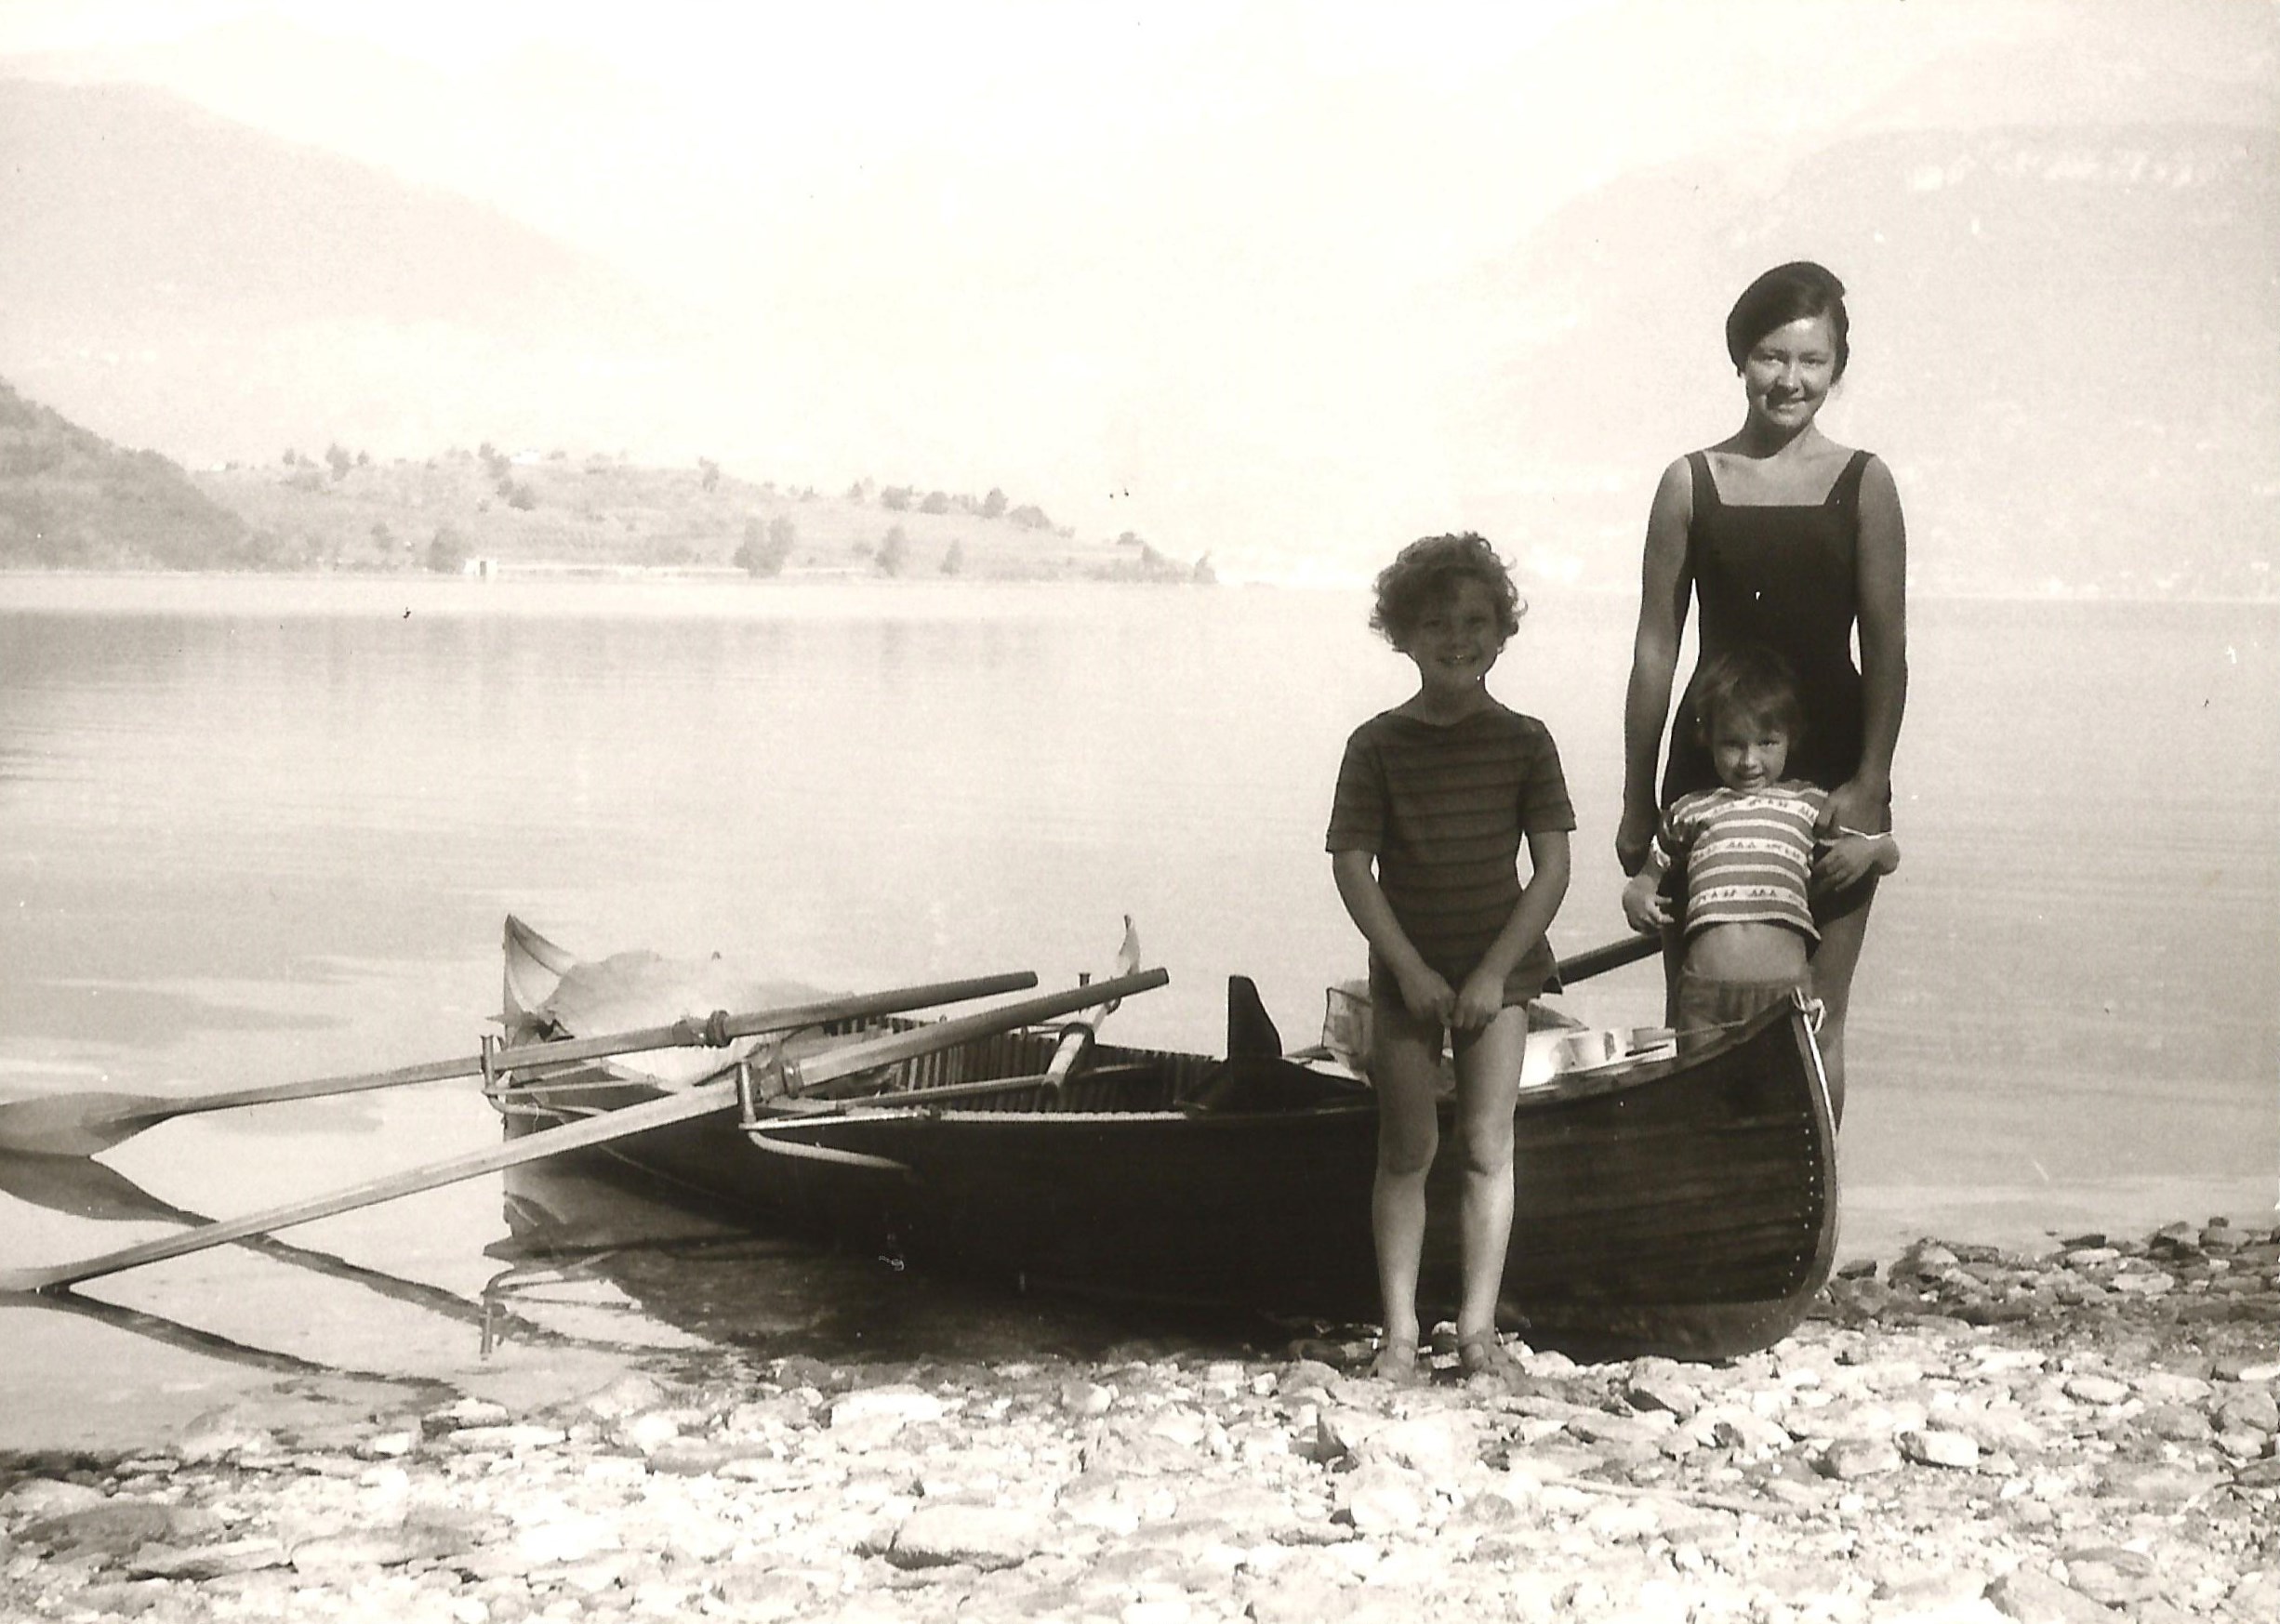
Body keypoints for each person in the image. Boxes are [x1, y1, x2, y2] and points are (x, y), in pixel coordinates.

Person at [1616, 260, 1907, 1126]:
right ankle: (1713, 1195)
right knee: (1699, 1018)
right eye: (1772, 356)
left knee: (1820, 1015)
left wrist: (1869, 782)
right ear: (1740, 357)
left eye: (1812, 360)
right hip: (1708, 773)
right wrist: (1636, 798)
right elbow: (1655, 650)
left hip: (1834, 779)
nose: (1791, 379)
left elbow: (1888, 649)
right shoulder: (1689, 482)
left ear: (1837, 368)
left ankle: (1811, 1201)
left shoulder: (1866, 483)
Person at [1327, 533, 1573, 1384]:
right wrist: (1408, 970)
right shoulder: (1375, 745)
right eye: (1434, 622)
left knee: (1486, 1145)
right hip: (1407, 973)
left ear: (1502, 633)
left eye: (1474, 621)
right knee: (1407, 1148)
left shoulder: (1527, 741)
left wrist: (1494, 974)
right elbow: (1352, 866)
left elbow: (1552, 870)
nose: (1457, 638)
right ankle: (1398, 1334)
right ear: (1401, 635)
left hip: (1500, 972)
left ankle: (1475, 1332)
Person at [1622, 645, 1898, 1057]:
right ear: (1708, 740)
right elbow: (1650, 873)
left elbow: (1888, 851)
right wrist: (1638, 894)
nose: (1749, 761)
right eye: (1733, 744)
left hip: (1782, 997)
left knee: (1783, 1086)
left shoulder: (1809, 806)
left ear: (1790, 739)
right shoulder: (1690, 809)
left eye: (1766, 742)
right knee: (1702, 1088)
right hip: (1705, 997)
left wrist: (1866, 853)